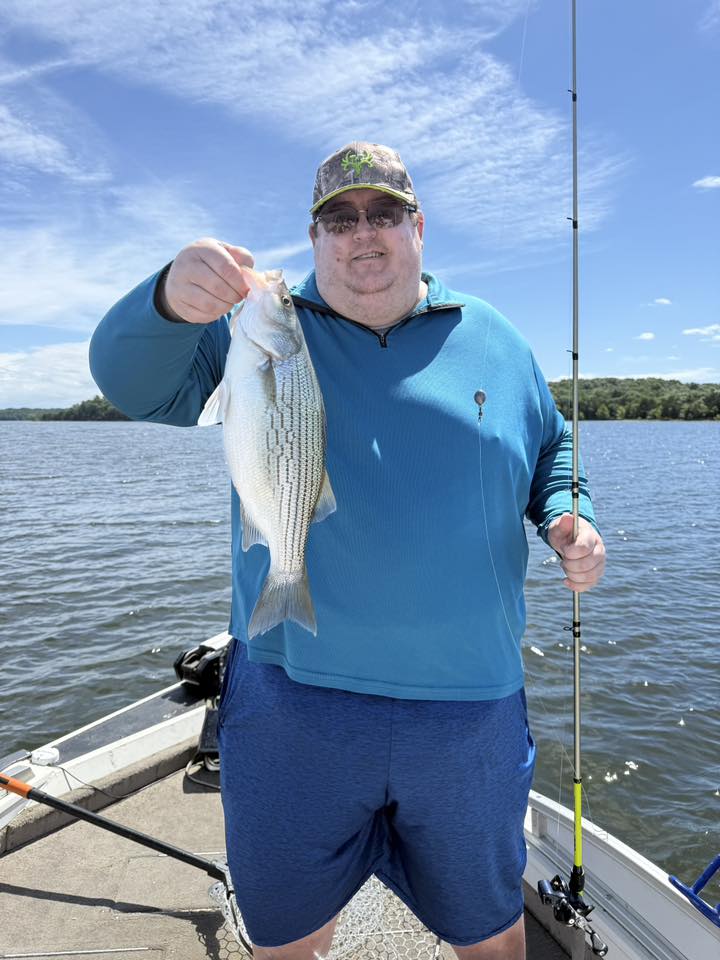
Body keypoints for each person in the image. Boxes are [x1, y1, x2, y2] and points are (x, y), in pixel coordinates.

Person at [90, 141, 605, 960]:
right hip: (293, 699)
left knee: (492, 934)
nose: (362, 232)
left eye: (384, 212)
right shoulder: (261, 330)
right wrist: (165, 300)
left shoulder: (495, 337)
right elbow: (131, 383)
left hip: (469, 707)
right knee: (288, 938)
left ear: (418, 227)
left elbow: (551, 446)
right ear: (315, 237)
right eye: (338, 219)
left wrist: (567, 514)